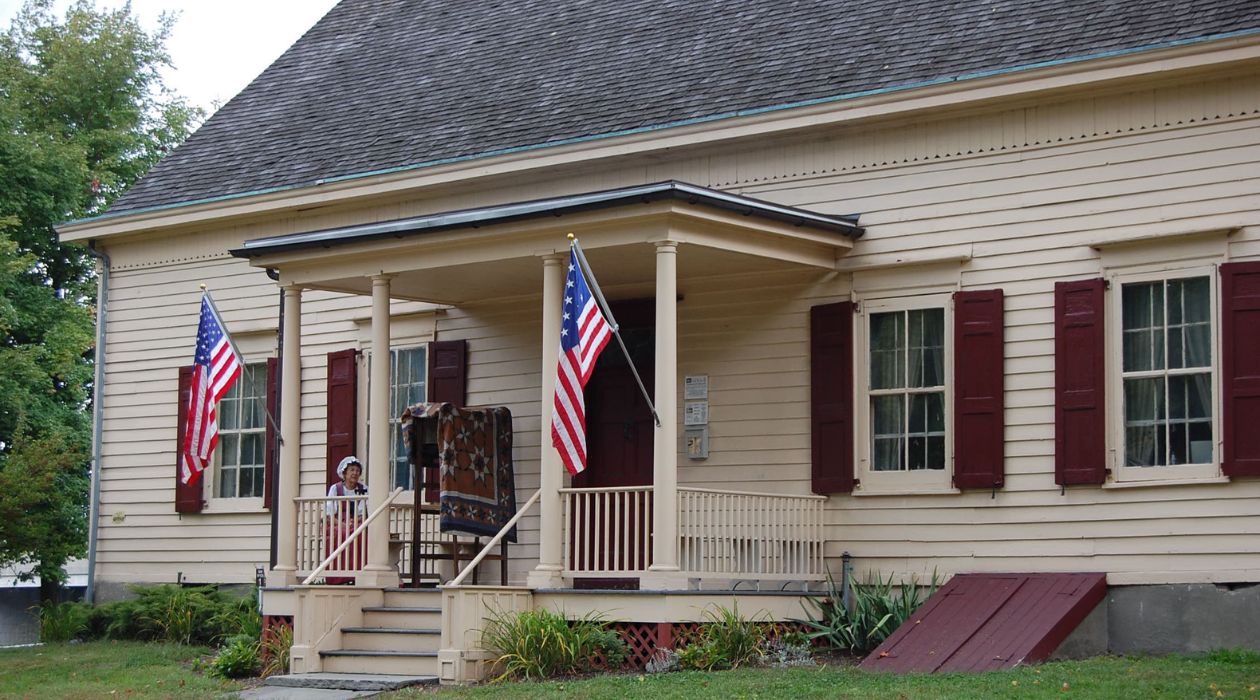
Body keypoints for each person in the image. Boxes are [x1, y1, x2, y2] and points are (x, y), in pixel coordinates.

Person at [324, 455, 367, 584]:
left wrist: (356, 521)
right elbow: (330, 514)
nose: (355, 473)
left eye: (357, 471)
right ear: (345, 473)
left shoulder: (363, 489)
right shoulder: (335, 489)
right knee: (339, 534)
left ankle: (357, 574)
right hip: (337, 523)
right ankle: (338, 577)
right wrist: (344, 525)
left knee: (361, 534)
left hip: (357, 523)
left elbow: (364, 512)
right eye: (352, 470)